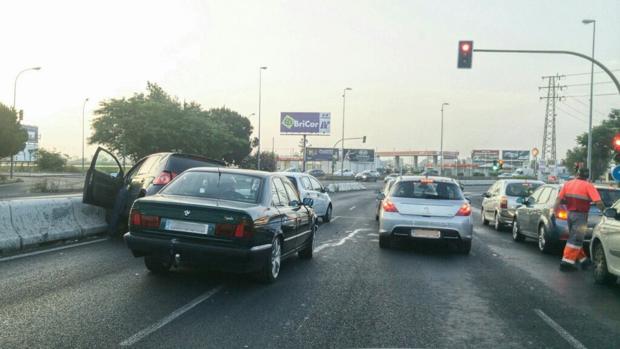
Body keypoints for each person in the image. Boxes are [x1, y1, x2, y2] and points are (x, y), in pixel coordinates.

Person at [553, 167, 605, 271]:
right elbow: (598, 202)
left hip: (570, 215)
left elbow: (558, 199)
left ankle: (584, 261)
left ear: (577, 174)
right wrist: (605, 211)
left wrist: (555, 210)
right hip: (581, 216)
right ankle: (566, 262)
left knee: (574, 237)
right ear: (587, 176)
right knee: (576, 239)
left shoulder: (568, 184)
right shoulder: (588, 186)